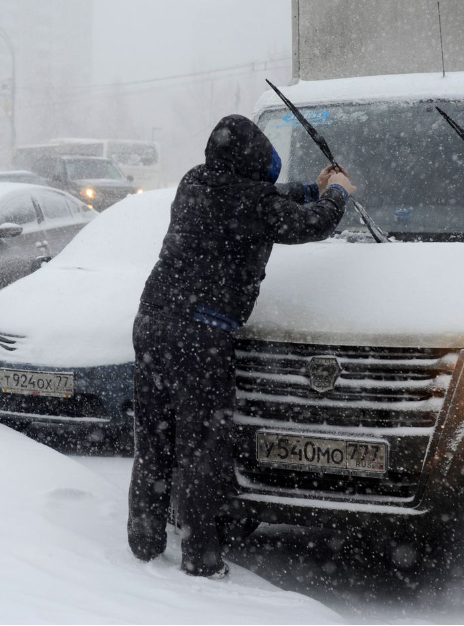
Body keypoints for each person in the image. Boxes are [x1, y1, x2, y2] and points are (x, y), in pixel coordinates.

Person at [127, 114, 356, 578]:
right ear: (254, 158)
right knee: (200, 449)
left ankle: (144, 538)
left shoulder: (194, 182)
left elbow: (265, 199)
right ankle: (202, 557)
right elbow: (307, 224)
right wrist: (337, 195)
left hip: (152, 323)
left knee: (154, 437)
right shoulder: (251, 202)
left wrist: (310, 186)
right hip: (200, 336)